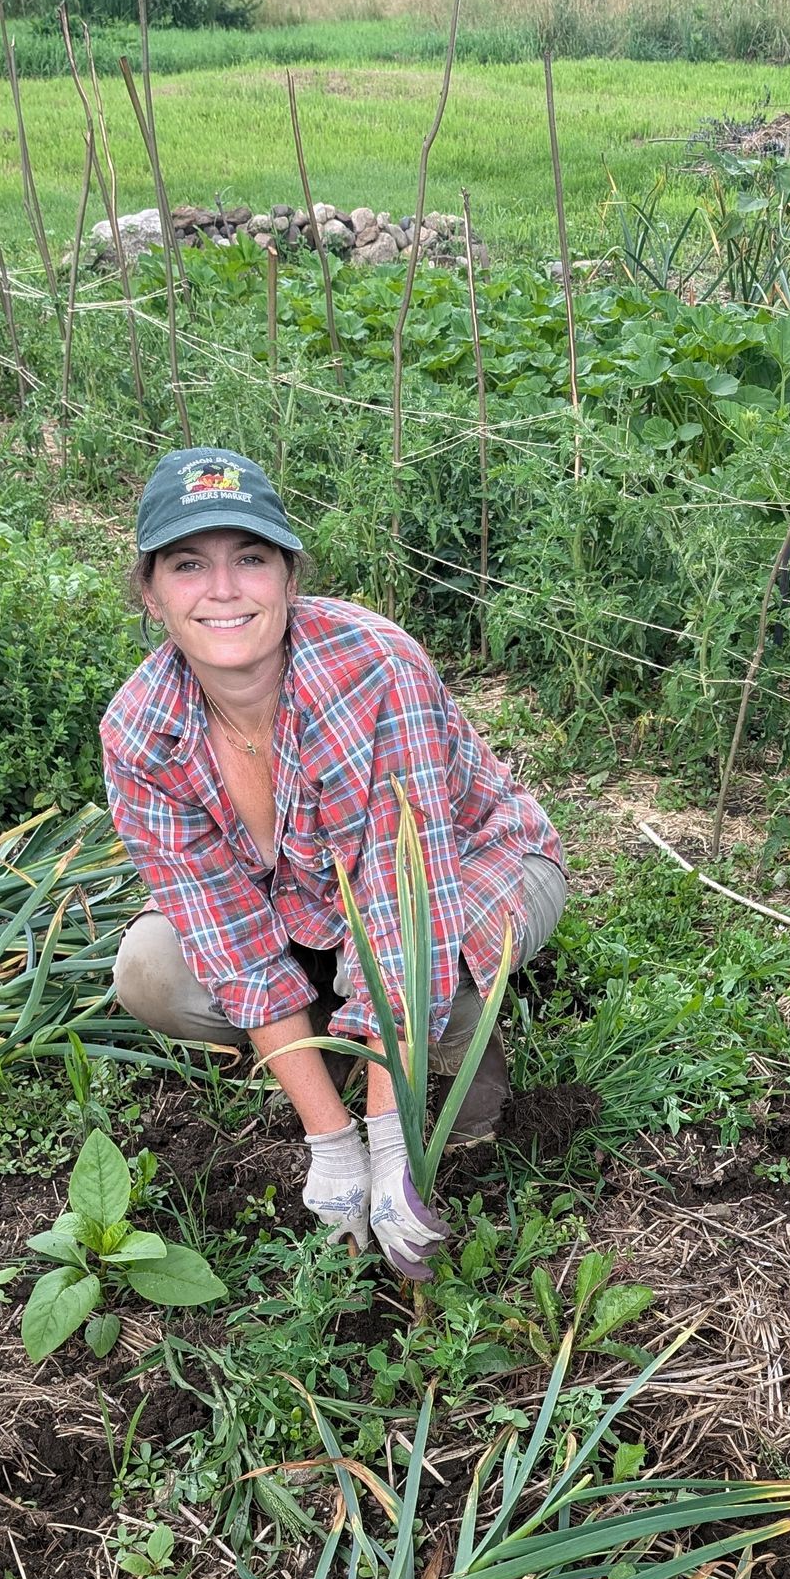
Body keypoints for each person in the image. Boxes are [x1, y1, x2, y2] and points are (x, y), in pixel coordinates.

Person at [102, 446, 568, 1280]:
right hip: (304, 917)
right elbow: (230, 939)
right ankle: (343, 1059)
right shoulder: (142, 731)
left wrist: (389, 1148)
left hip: (473, 868)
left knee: (443, 966)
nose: (223, 589)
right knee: (152, 972)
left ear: (287, 574)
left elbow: (404, 912)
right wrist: (333, 1143)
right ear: (151, 592)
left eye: (250, 558)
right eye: (187, 565)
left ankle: (441, 1058)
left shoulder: (371, 667)